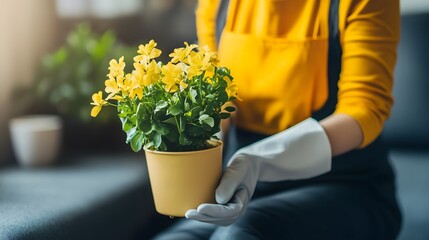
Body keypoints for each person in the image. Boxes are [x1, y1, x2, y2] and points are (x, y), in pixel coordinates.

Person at [153, 0, 401, 239]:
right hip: (241, 189)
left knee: (238, 234)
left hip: (344, 184)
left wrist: (261, 160)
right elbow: (217, 96)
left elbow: (364, 109)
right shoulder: (217, 3)